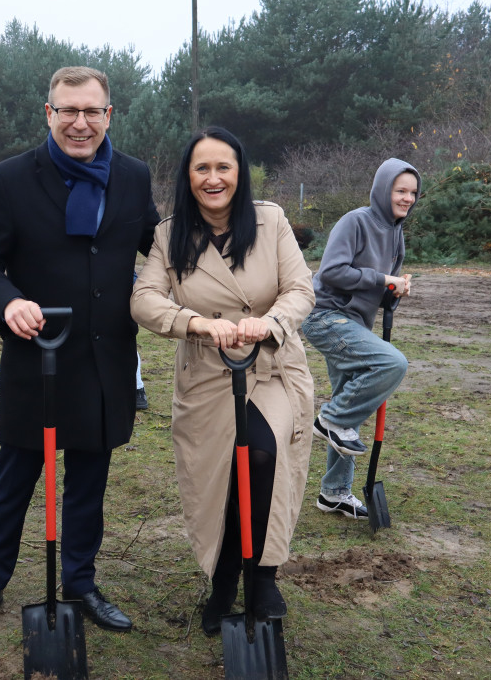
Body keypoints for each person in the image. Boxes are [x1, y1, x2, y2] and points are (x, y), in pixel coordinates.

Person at [0, 65, 160, 638]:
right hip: (39, 359)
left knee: (89, 486)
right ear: (49, 113)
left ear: (108, 115)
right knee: (14, 483)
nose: (79, 122)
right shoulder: (13, 178)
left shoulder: (132, 176)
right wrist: (9, 304)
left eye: (91, 111)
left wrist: (237, 239)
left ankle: (81, 580)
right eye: (67, 111)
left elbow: (159, 245)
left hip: (106, 363)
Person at [131, 126, 316, 635]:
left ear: (240, 173)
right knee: (219, 481)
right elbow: (144, 298)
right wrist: (197, 323)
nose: (213, 178)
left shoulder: (271, 220)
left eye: (224, 167)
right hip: (209, 374)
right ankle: (223, 579)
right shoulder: (170, 234)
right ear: (187, 177)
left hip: (272, 366)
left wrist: (271, 322)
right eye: (201, 168)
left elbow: (300, 289)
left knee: (261, 454)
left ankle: (263, 574)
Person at [300, 158, 418, 520]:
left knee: (346, 422)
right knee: (392, 363)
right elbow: (333, 271)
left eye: (413, 193)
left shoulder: (396, 233)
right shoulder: (356, 221)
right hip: (326, 316)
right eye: (400, 190)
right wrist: (384, 280)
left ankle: (334, 493)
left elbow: (376, 285)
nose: (407, 198)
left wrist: (392, 292)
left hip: (355, 323)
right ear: (384, 189)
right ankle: (331, 417)